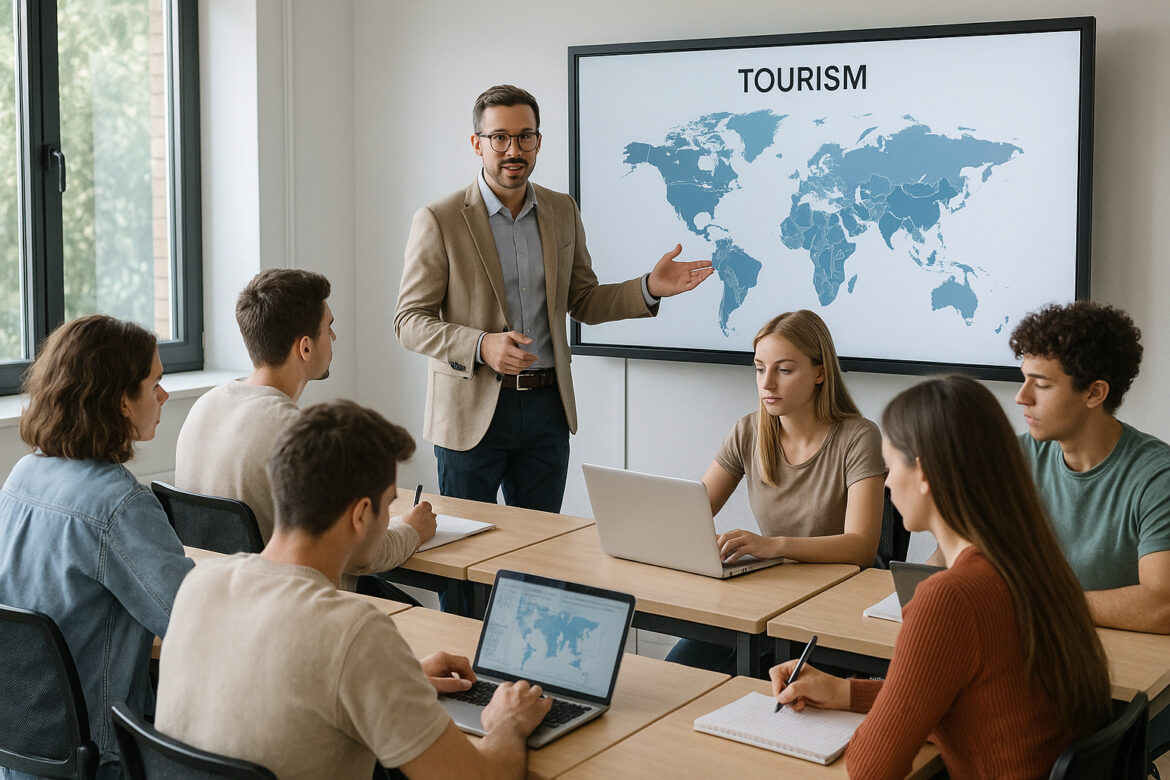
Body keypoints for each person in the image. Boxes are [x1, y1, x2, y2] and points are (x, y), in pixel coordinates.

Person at [156, 400, 551, 779]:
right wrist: (507, 724)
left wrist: (397, 679)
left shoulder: (199, 584)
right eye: (387, 506)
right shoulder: (356, 633)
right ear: (361, 514)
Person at [770, 375, 1111, 779]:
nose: (888, 480)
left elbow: (871, 768)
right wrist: (846, 692)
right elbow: (963, 695)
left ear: (925, 474)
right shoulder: (1032, 564)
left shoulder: (950, 597)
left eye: (890, 464)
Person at [394, 84, 714, 513]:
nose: (514, 149)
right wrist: (481, 345)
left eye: (525, 136)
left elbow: (581, 300)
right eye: (499, 138)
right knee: (465, 559)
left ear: (539, 141)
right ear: (477, 144)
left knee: (541, 561)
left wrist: (649, 288)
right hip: (469, 413)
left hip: (547, 410)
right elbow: (409, 322)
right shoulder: (440, 219)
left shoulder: (562, 210)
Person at [0, 315, 193, 779]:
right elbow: (192, 619)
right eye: (154, 384)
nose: (163, 395)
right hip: (103, 761)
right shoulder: (120, 506)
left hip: (21, 753)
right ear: (121, 402)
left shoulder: (23, 474)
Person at [175, 269, 435, 588]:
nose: (335, 337)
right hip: (302, 603)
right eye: (330, 327)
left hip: (225, 597)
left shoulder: (204, 406)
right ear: (306, 348)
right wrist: (411, 529)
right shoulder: (298, 436)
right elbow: (360, 555)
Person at [665, 310, 885, 672]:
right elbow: (695, 510)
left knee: (793, 702)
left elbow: (861, 547)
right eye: (759, 368)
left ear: (819, 372)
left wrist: (774, 545)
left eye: (783, 370)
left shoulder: (858, 437)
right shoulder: (748, 431)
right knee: (676, 674)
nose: (767, 383)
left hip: (838, 599)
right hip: (772, 591)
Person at [1009, 300, 1170, 634]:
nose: (1021, 397)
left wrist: (1045, 605)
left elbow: (1162, 605)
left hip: (1117, 670)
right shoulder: (1014, 457)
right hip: (1029, 648)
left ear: (1095, 393)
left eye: (1040, 384)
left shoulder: (1158, 477)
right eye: (1024, 380)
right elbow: (956, 551)